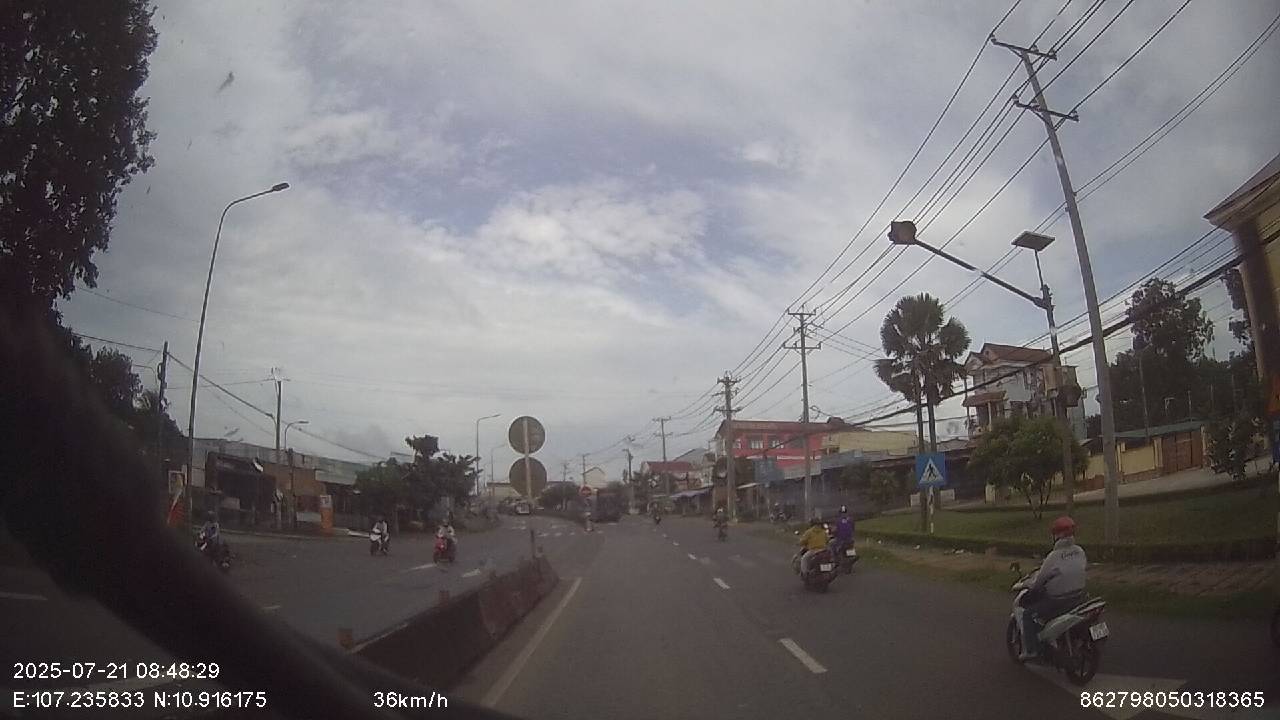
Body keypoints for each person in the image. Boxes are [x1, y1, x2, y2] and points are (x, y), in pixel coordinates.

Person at [1019, 516, 1088, 661]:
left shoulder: (1054, 556)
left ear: (1057, 535)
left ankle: (1031, 650)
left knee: (1028, 614)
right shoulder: (1080, 551)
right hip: (1079, 597)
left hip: (1058, 601)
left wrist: (1030, 585)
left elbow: (1039, 581)